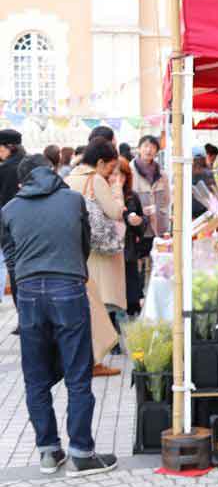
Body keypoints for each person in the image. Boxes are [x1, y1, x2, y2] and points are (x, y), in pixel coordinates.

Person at [1, 153, 118, 476]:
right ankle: (81, 452)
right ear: (51, 172)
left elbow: (10, 259)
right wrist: (75, 272)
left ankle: (49, 452)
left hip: (28, 293)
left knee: (35, 377)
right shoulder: (72, 200)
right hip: (67, 287)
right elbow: (84, 244)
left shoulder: (9, 210)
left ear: (22, 181)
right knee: (78, 375)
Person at [65, 138, 129, 377]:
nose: (112, 172)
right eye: (111, 167)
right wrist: (117, 190)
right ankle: (93, 362)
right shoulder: (97, 180)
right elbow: (113, 212)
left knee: (86, 308)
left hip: (78, 252)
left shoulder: (70, 178)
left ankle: (86, 360)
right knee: (98, 309)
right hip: (100, 253)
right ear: (101, 162)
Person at [114, 159, 147, 317]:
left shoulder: (132, 197)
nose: (119, 180)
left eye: (123, 176)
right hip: (111, 253)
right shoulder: (104, 196)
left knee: (131, 294)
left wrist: (138, 222)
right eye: (115, 176)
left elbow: (142, 225)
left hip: (129, 252)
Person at [0, 129, 25, 331]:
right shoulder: (29, 164)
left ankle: (23, 318)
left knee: (15, 271)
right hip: (31, 226)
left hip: (9, 228)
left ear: (9, 147)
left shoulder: (4, 169)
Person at [131, 135, 170, 259]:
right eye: (146, 146)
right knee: (140, 263)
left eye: (153, 147)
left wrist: (160, 209)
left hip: (159, 226)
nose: (149, 150)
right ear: (139, 149)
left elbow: (167, 199)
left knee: (158, 263)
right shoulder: (130, 171)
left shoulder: (162, 174)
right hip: (139, 227)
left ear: (157, 151)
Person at [192, 147, 214, 219]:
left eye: (200, 160)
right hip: (192, 213)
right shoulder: (186, 175)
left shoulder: (209, 174)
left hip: (204, 213)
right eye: (196, 160)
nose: (198, 162)